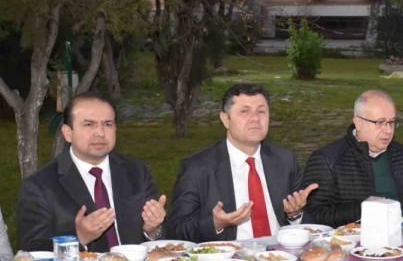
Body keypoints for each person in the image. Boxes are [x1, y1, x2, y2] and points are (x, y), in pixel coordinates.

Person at [16, 91, 167, 252]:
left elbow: (167, 239)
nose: (100, 133)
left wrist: (152, 230)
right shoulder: (39, 186)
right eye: (89, 124)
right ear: (68, 133)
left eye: (107, 124)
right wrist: (79, 237)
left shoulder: (137, 172)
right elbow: (32, 251)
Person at [169, 83, 317, 242]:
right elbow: (178, 229)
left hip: (281, 255)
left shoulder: (285, 160)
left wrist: (295, 215)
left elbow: (308, 225)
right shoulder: (197, 168)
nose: (255, 118)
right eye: (245, 111)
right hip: (228, 260)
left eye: (261, 111)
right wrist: (216, 224)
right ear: (225, 119)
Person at [302, 90, 403, 227]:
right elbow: (314, 215)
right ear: (358, 122)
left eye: (391, 122)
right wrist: (363, 208)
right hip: (353, 243)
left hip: (402, 239)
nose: (388, 130)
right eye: (380, 122)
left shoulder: (401, 154)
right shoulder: (327, 160)